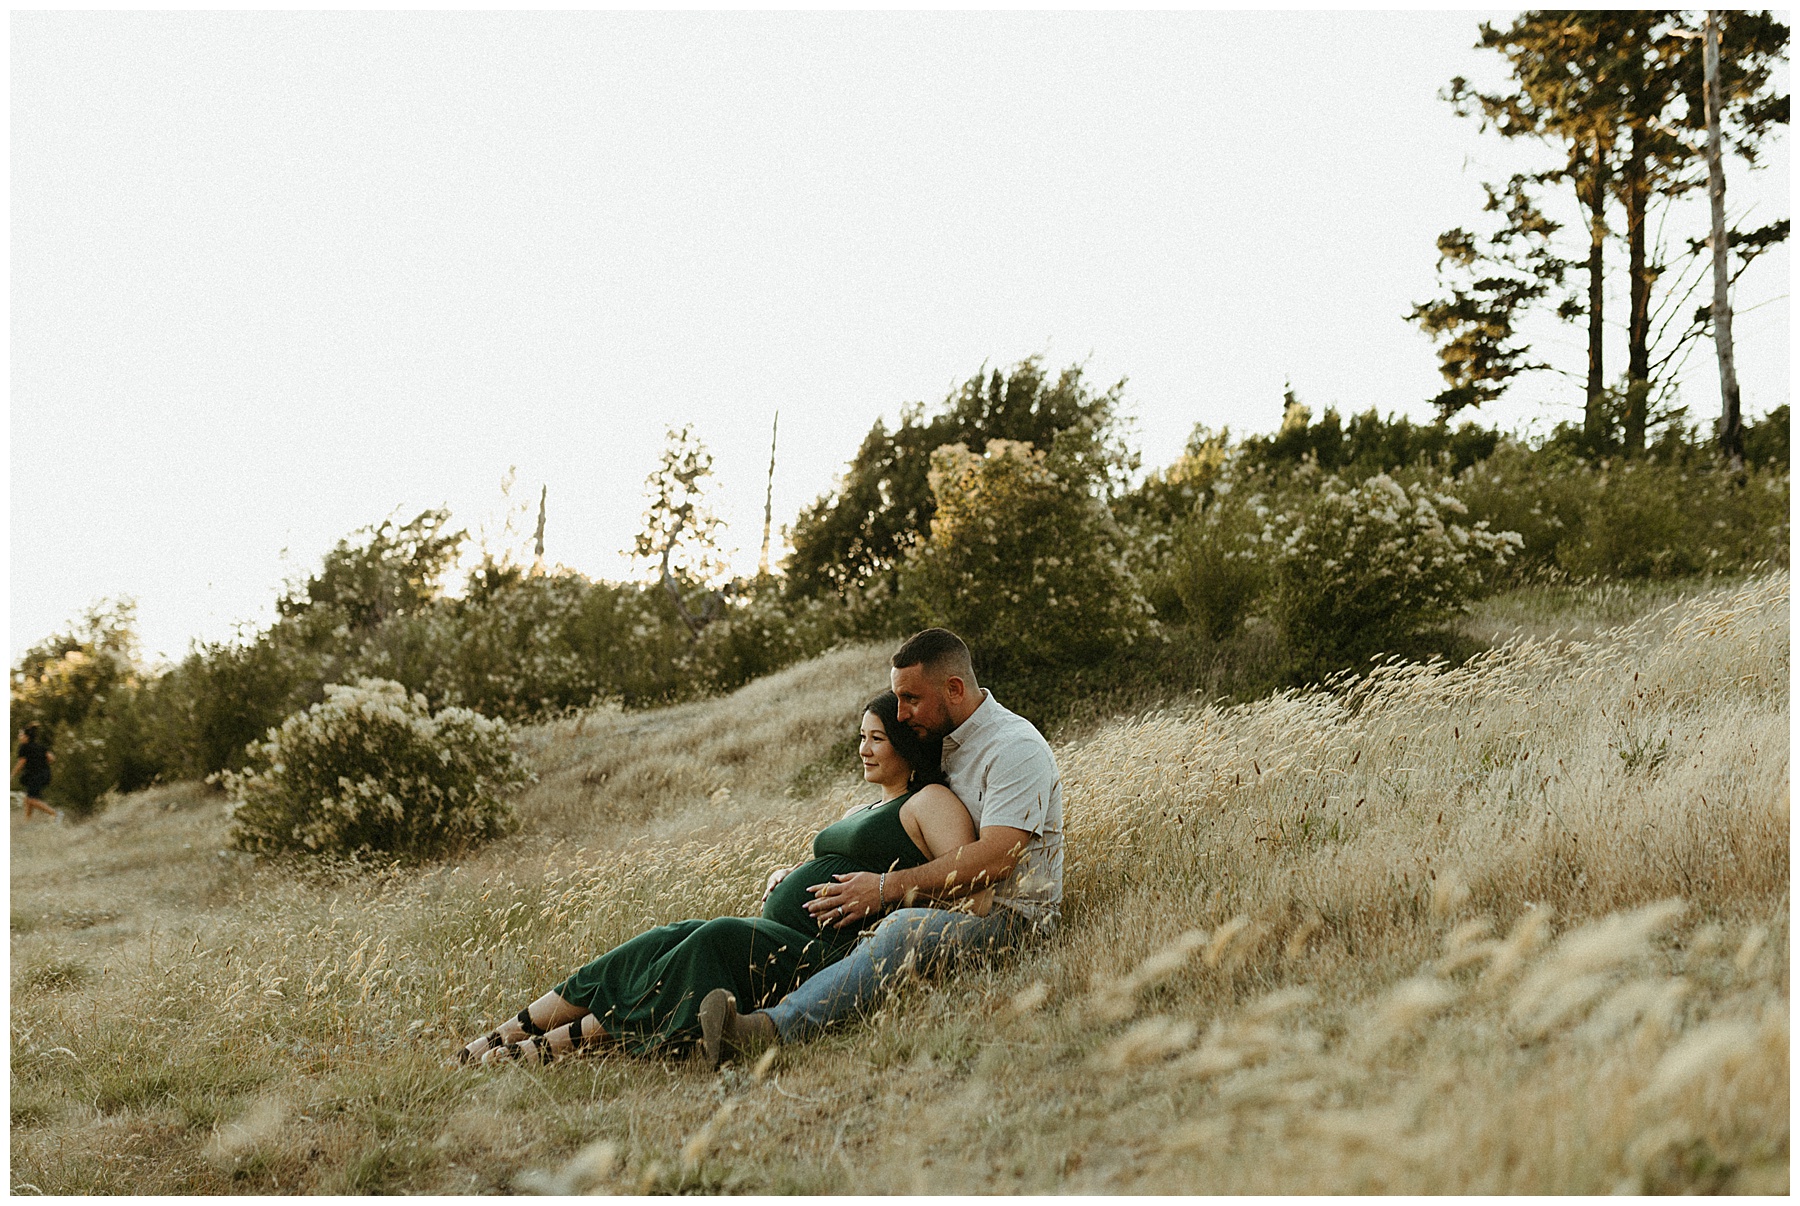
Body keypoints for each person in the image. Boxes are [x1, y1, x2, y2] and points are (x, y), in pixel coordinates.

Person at [451, 690, 986, 1066]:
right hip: (788, 933)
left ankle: (543, 1050)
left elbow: (969, 882)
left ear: (906, 747)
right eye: (861, 737)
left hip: (826, 954)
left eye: (876, 738)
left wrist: (885, 891)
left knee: (712, 939)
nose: (863, 749)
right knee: (668, 937)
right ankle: (506, 1032)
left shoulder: (930, 801)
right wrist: (792, 872)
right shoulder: (870, 804)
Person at [702, 627, 1061, 1064]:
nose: (902, 713)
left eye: (911, 699)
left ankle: (769, 1030)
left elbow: (999, 857)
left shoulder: (1013, 748)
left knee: (902, 927)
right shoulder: (941, 742)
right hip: (946, 905)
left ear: (954, 688)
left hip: (1009, 921)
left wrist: (884, 888)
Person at [13, 724, 59, 823]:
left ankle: (54, 813)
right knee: (28, 799)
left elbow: (21, 763)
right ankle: (27, 822)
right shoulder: (40, 746)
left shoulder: (24, 747)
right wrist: (40, 763)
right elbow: (52, 758)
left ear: (26, 737)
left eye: (20, 734)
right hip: (45, 774)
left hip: (36, 776)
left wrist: (11, 775)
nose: (19, 736)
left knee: (31, 799)